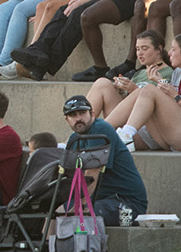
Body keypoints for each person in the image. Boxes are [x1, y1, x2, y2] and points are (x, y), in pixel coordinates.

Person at [104, 32, 181, 153]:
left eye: (174, 49)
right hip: (175, 133)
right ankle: (101, 129)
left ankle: (127, 133)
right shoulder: (178, 73)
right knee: (142, 91)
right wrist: (160, 82)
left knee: (149, 89)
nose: (169, 53)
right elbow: (170, 104)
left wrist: (176, 97)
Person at [57, 95, 149, 227]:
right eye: (73, 115)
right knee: (56, 212)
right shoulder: (74, 139)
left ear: (92, 114)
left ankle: (81, 248)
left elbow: (93, 171)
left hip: (127, 205)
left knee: (79, 218)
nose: (78, 119)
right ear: (67, 120)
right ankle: (49, 247)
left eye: (82, 113)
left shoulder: (100, 130)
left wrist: (82, 205)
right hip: (102, 200)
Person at [82, 30, 173, 119]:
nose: (140, 53)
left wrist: (134, 89)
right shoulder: (140, 73)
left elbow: (161, 105)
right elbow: (127, 100)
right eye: (137, 49)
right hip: (126, 114)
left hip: (145, 121)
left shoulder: (168, 73)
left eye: (145, 48)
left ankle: (91, 127)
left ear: (159, 49)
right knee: (102, 83)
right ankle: (85, 124)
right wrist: (121, 90)